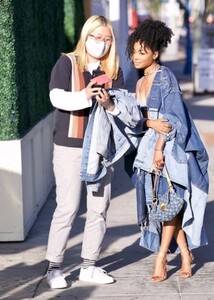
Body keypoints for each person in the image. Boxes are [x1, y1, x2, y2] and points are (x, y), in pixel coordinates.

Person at [46, 15, 141, 289]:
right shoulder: (67, 63)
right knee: (67, 207)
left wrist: (110, 103)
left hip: (102, 149)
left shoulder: (113, 70)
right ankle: (54, 267)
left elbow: (125, 110)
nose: (101, 43)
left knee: (99, 208)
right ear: (86, 36)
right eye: (97, 37)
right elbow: (56, 97)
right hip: (69, 146)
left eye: (107, 39)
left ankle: (89, 265)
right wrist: (85, 95)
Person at [126, 19, 209, 282]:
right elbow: (140, 120)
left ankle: (161, 259)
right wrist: (148, 122)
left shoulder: (165, 77)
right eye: (134, 51)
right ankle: (185, 253)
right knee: (163, 205)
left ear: (155, 52)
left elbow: (173, 117)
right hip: (146, 151)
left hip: (168, 149)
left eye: (142, 51)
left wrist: (159, 148)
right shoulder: (140, 83)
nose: (136, 57)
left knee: (170, 204)